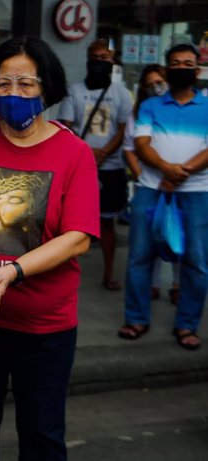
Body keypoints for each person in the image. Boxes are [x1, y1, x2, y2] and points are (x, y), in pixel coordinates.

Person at [0, 36, 100, 460]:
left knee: (42, 435)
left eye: (26, 84)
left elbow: (78, 236)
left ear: (48, 87)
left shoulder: (75, 154)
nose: (14, 94)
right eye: (3, 83)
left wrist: (12, 271)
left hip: (45, 325)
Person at [120, 44, 208, 350]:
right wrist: (166, 170)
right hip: (150, 189)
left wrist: (178, 173)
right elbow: (141, 145)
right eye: (175, 63)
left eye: (187, 63)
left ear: (197, 71)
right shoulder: (150, 106)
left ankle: (186, 325)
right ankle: (136, 318)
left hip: (197, 192)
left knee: (197, 262)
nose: (181, 67)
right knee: (139, 257)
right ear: (167, 69)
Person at [58, 38, 132, 291]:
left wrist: (103, 152)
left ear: (112, 62)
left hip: (111, 166)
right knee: (70, 224)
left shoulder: (121, 93)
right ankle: (66, 274)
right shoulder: (74, 90)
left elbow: (123, 129)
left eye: (105, 58)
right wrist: (88, 153)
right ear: (88, 60)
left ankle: (109, 272)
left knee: (108, 223)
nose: (100, 62)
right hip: (79, 166)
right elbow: (66, 126)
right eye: (96, 57)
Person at [119, 64, 180, 307]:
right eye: (151, 84)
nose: (157, 87)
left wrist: (175, 175)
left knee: (178, 237)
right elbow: (131, 149)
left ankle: (178, 285)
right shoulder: (140, 111)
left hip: (180, 184)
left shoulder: (180, 109)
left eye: (160, 81)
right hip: (150, 185)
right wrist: (142, 175)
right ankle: (152, 285)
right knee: (147, 242)